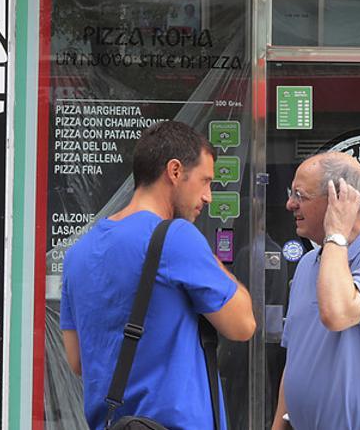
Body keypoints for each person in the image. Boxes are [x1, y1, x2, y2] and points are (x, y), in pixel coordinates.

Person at [61, 120, 256, 430]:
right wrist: (210, 260)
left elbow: (77, 360)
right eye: (205, 181)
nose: (208, 196)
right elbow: (243, 325)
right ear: (175, 171)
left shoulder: (77, 253)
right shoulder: (176, 237)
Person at [271, 152, 360, 430]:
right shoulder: (308, 263)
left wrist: (336, 232)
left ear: (339, 197)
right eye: (292, 193)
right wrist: (279, 425)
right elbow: (296, 357)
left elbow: (337, 313)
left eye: (300, 195)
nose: (290, 204)